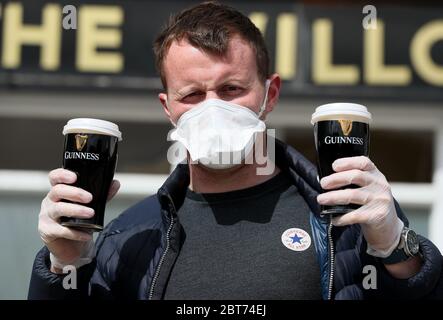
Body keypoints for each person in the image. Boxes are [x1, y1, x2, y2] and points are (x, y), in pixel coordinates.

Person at [29, 1, 442, 300]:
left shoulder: (349, 216)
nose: (213, 109)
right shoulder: (131, 237)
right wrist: (63, 263)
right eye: (192, 94)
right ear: (168, 108)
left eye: (231, 90)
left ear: (270, 94)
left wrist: (396, 246)